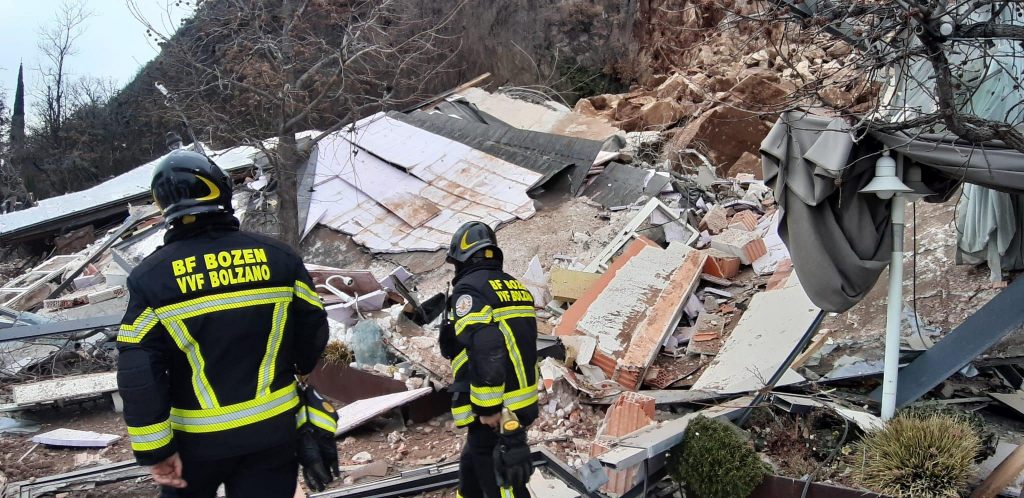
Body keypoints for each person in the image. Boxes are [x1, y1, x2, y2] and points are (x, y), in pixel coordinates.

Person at [116, 149, 335, 497]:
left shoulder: (150, 279)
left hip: (196, 445)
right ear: (221, 191)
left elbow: (139, 373)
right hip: (272, 434)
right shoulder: (279, 258)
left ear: (163, 207)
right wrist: (297, 365)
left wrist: (156, 451)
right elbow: (312, 328)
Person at [439, 221, 538, 498]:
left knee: (502, 483)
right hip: (521, 400)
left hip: (497, 407)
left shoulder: (470, 290)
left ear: (462, 258)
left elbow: (488, 346)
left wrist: (489, 407)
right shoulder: (514, 286)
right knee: (473, 464)